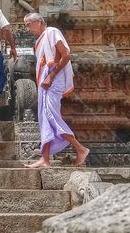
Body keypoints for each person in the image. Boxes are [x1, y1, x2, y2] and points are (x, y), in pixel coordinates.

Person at [22, 13, 91, 168]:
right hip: (45, 81)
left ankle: (80, 149)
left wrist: (51, 76)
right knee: (44, 117)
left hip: (53, 80)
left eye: (29, 24)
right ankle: (45, 159)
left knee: (51, 115)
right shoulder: (41, 39)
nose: (27, 28)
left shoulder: (52, 32)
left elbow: (66, 55)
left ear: (39, 22)